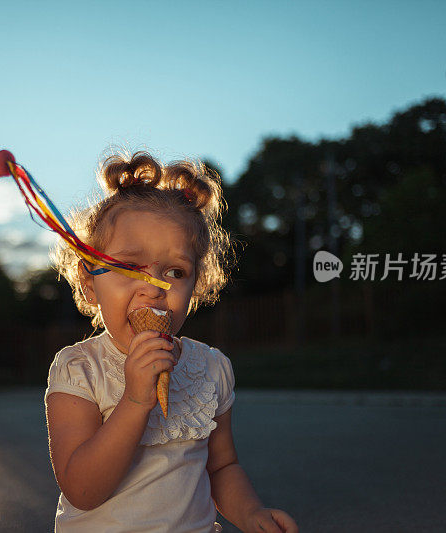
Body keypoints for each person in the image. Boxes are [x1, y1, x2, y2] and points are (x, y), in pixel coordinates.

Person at [45, 150, 299, 533]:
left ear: (196, 284)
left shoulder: (211, 368)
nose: (154, 289)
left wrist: (251, 514)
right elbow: (82, 489)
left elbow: (222, 466)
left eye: (175, 272)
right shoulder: (80, 370)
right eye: (129, 268)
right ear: (89, 281)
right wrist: (134, 401)